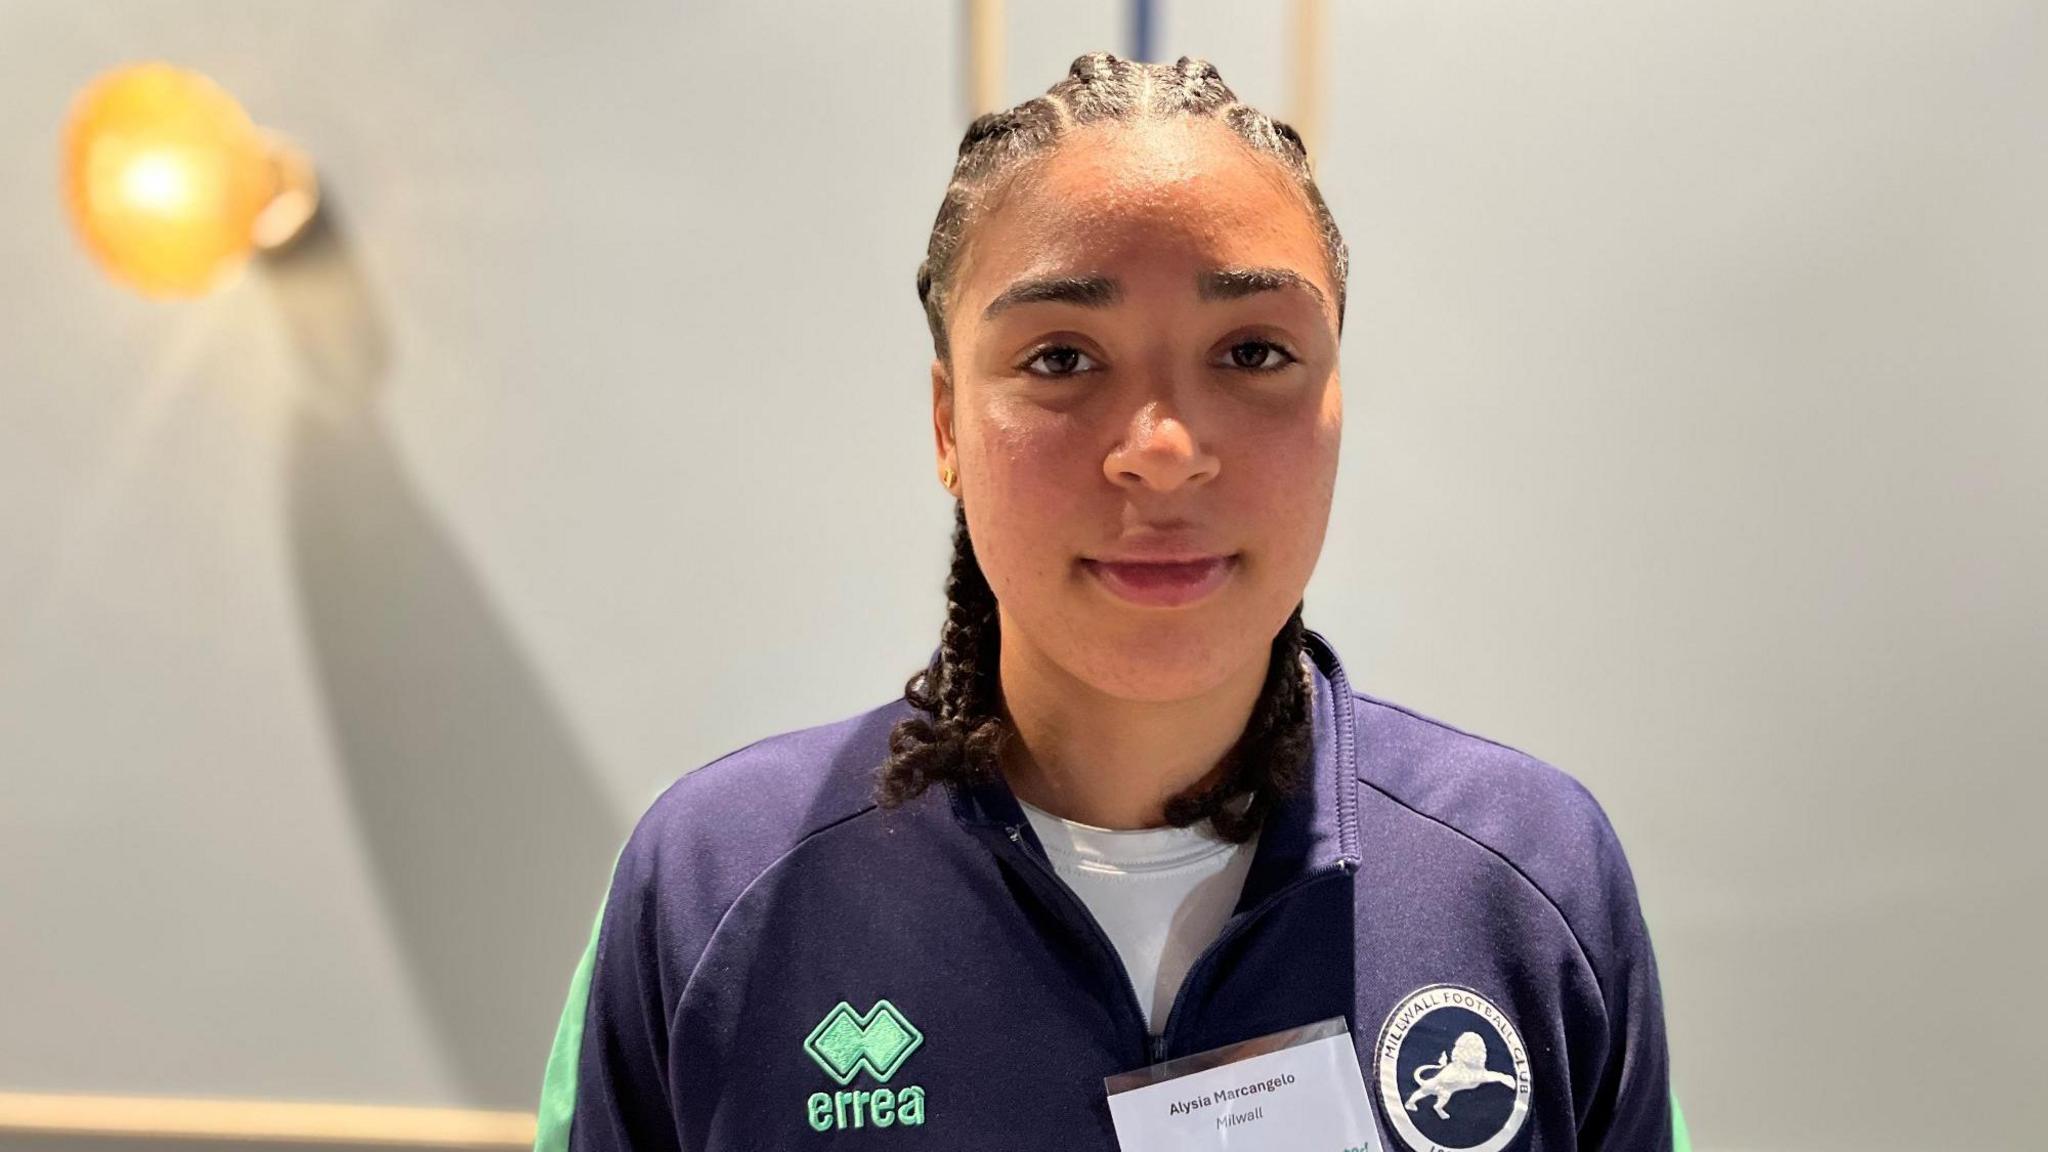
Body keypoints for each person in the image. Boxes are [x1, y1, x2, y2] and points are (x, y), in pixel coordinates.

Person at [535, 50, 1683, 1152]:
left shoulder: (1524, 881)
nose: (1163, 451)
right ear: (947, 423)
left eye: (1250, 352)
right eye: (1060, 360)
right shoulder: (715, 888)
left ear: (1335, 395)